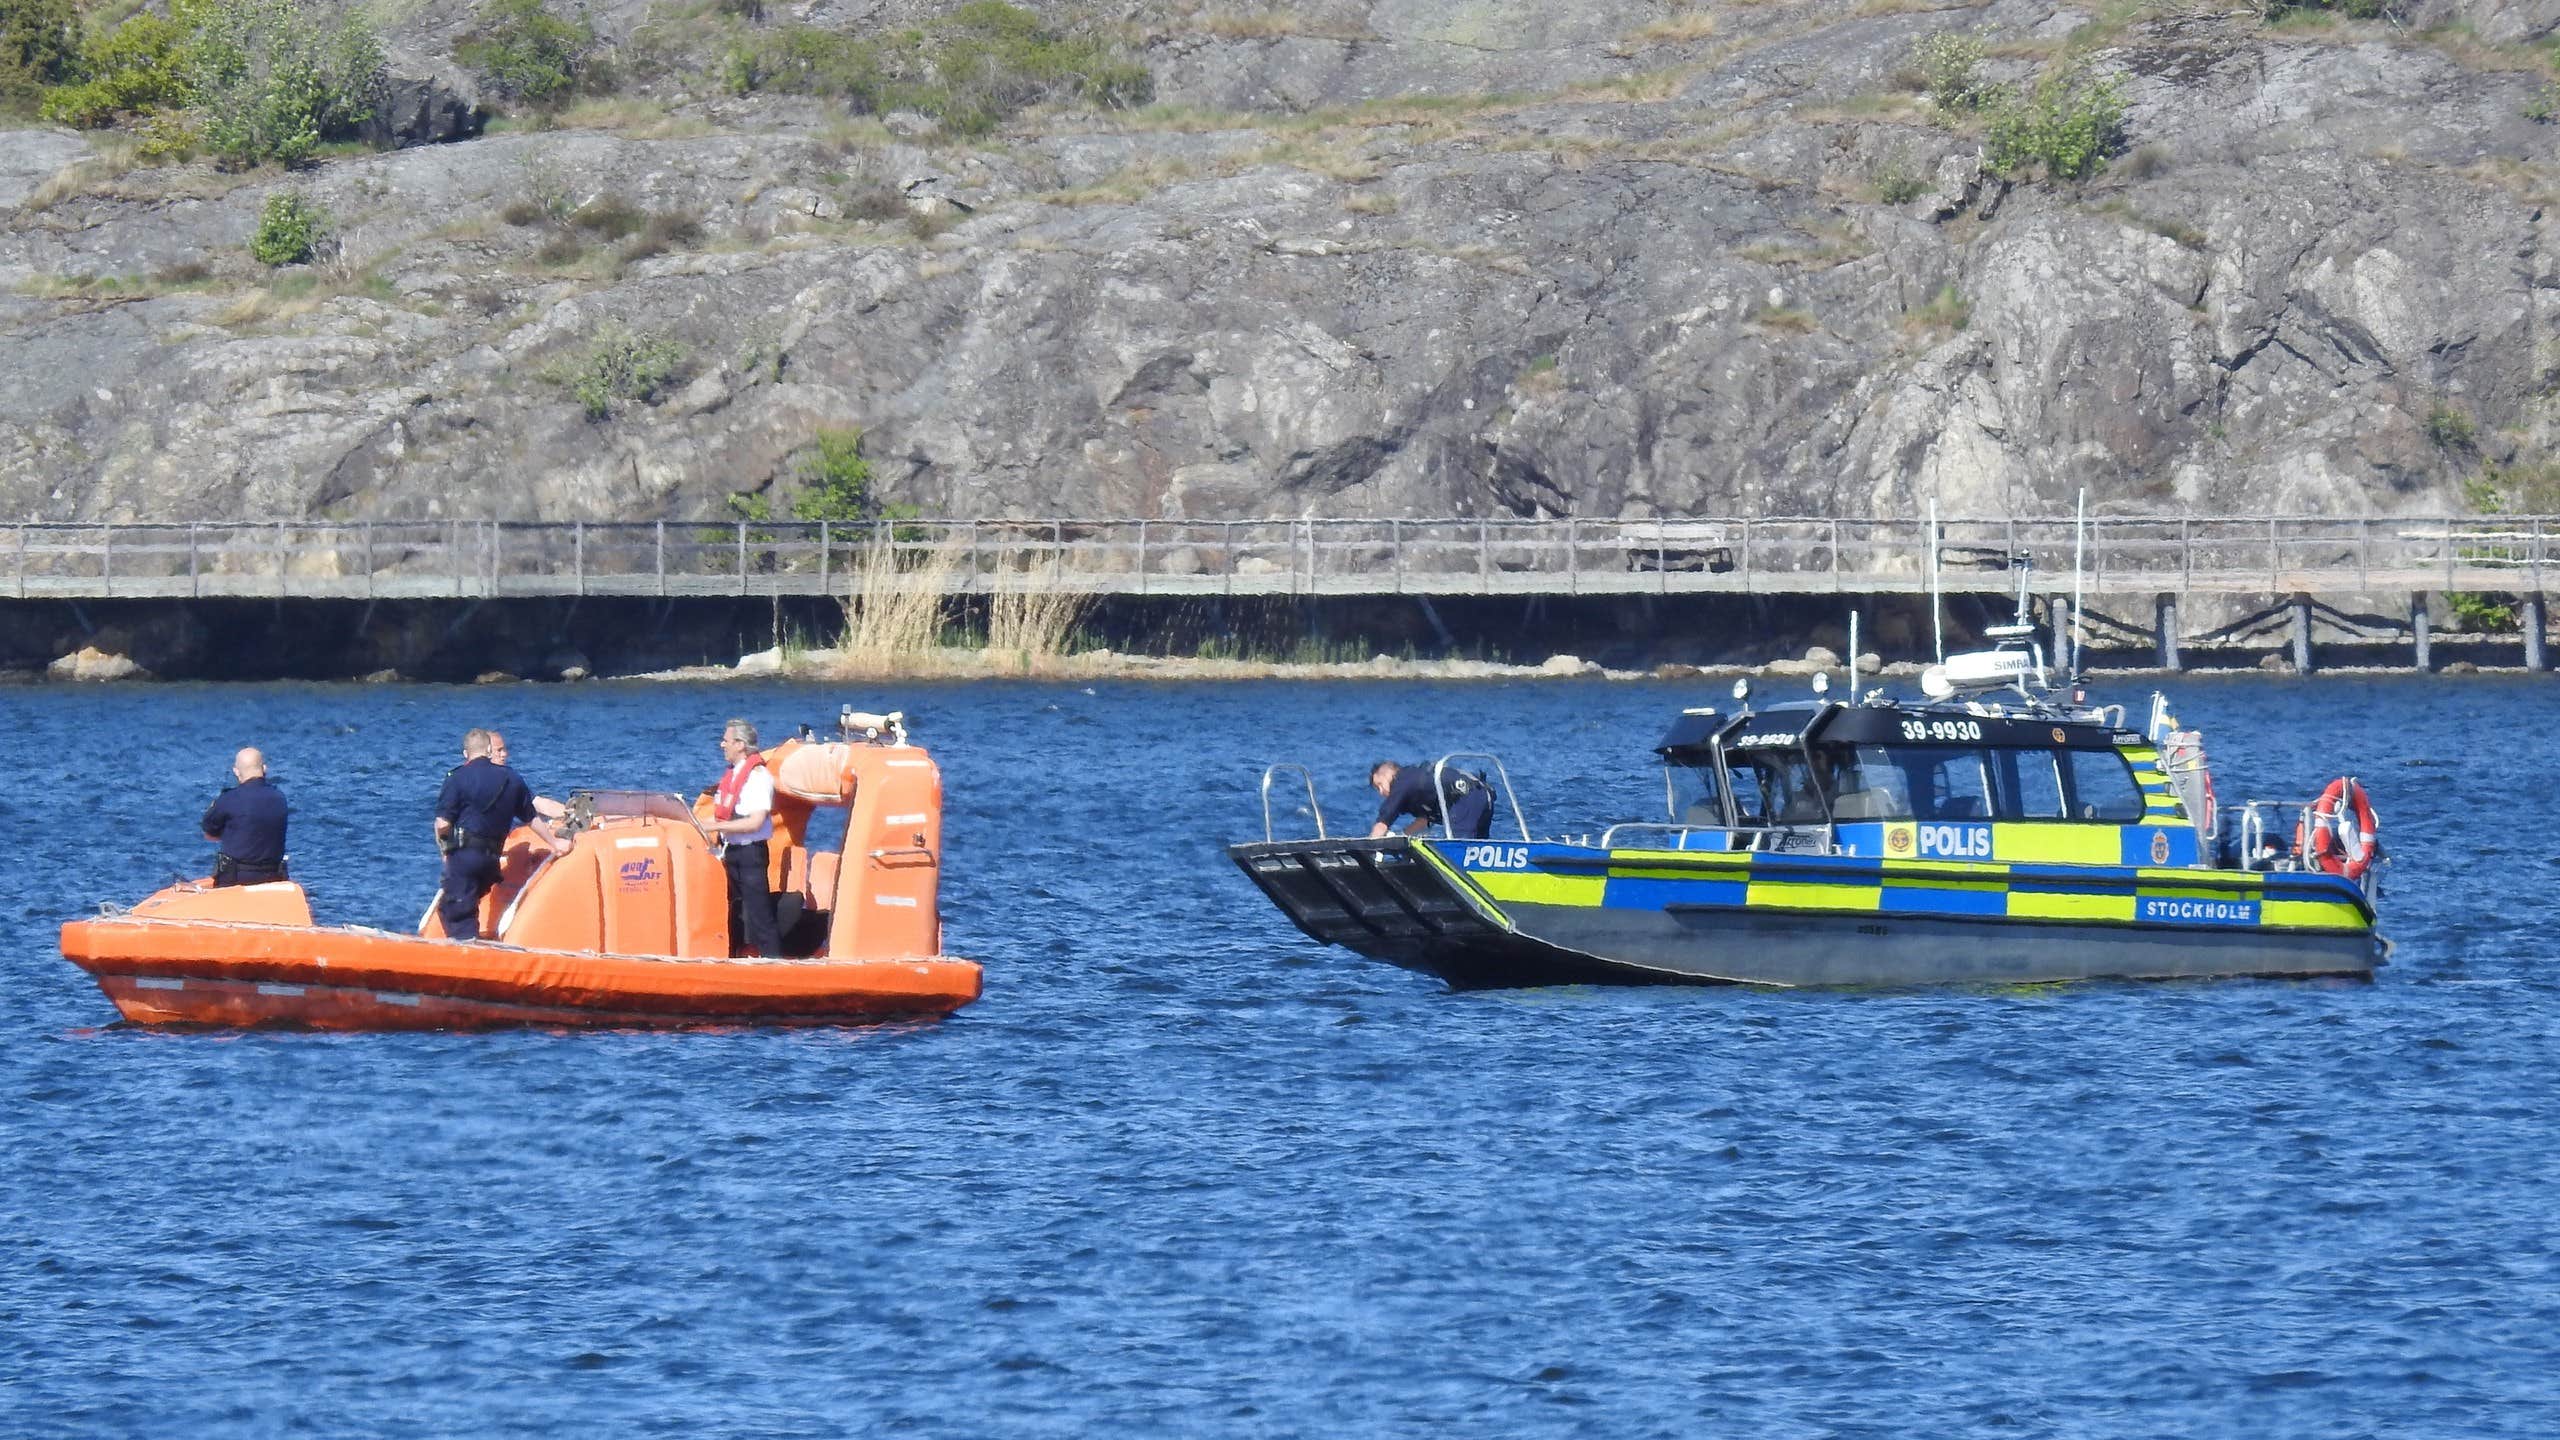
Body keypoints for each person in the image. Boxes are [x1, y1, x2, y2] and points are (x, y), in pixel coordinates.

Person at [432, 727, 564, 942]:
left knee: (455, 911)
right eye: (500, 750)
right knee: (468, 903)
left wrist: (446, 849)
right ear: (488, 750)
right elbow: (531, 817)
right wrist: (555, 843)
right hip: (491, 861)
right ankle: (474, 944)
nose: (504, 754)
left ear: (466, 754)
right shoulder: (512, 779)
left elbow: (442, 824)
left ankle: (469, 959)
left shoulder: (457, 778)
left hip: (466, 856)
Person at [705, 718, 781, 958]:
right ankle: (735, 956)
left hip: (750, 854)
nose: (722, 745)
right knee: (733, 911)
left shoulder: (758, 776)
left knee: (760, 916)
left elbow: (755, 821)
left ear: (739, 744)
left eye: (726, 741)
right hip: (731, 851)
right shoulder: (733, 773)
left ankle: (774, 964)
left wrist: (715, 825)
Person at [200, 747, 288, 886]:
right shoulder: (280, 798)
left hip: (235, 879)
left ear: (236, 771)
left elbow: (209, 834)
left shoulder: (228, 799)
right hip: (273, 876)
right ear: (264, 768)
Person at [1368, 759, 1493, 840]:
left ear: (1389, 775)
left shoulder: (1402, 781)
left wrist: (1368, 847)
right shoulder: (1415, 785)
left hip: (1466, 795)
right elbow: (1422, 822)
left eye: (1380, 785)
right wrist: (1400, 838)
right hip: (1481, 794)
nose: (1381, 792)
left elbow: (1382, 823)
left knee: (1460, 843)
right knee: (1478, 845)